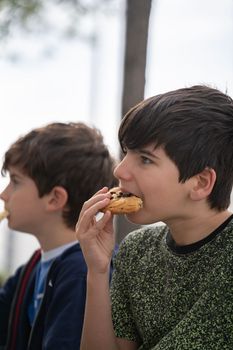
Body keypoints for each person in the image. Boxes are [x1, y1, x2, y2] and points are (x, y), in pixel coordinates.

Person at [76, 85, 233, 350]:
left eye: (146, 160)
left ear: (200, 182)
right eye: (126, 153)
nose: (120, 169)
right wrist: (98, 270)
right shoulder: (136, 250)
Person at [0, 121, 117, 349]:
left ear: (55, 199)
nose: (3, 194)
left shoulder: (80, 271)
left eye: (15, 182)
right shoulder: (33, 267)